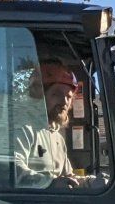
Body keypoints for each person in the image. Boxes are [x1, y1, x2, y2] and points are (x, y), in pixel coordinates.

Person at [14, 56, 83, 188]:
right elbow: (13, 171)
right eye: (56, 94)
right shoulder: (22, 128)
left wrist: (90, 182)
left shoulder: (57, 138)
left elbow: (68, 177)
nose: (64, 102)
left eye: (68, 97)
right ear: (38, 96)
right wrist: (50, 183)